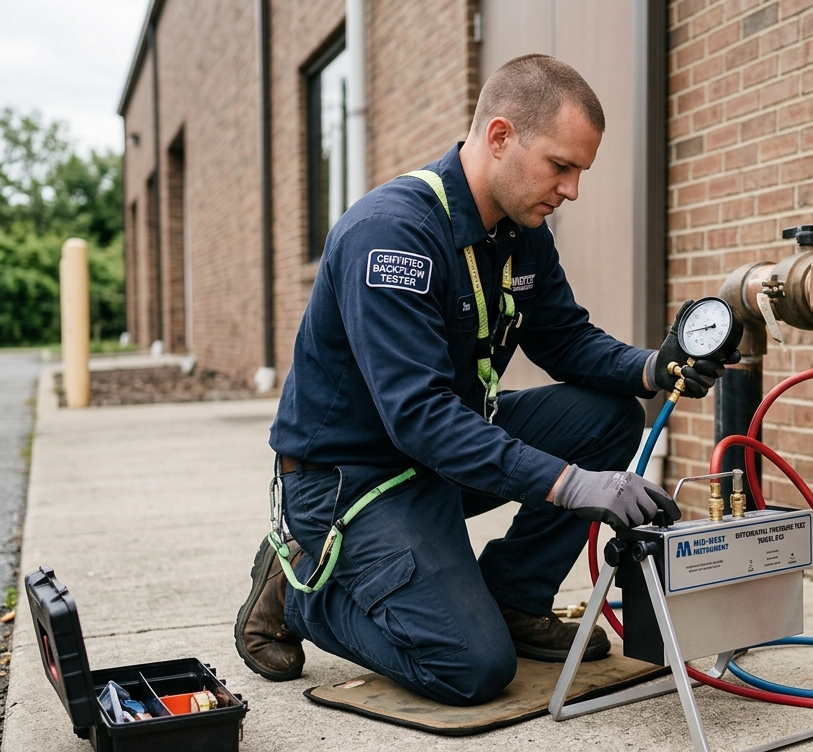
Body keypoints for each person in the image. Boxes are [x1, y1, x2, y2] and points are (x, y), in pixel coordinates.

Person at [233, 54, 738, 706]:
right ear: (500, 137)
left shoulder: (520, 227)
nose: (572, 190)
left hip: (440, 456)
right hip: (352, 481)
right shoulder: (392, 236)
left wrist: (651, 367)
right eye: (561, 166)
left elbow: (564, 339)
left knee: (611, 416)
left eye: (580, 171)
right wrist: (568, 483)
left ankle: (513, 598)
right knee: (468, 668)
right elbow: (418, 415)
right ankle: (301, 585)